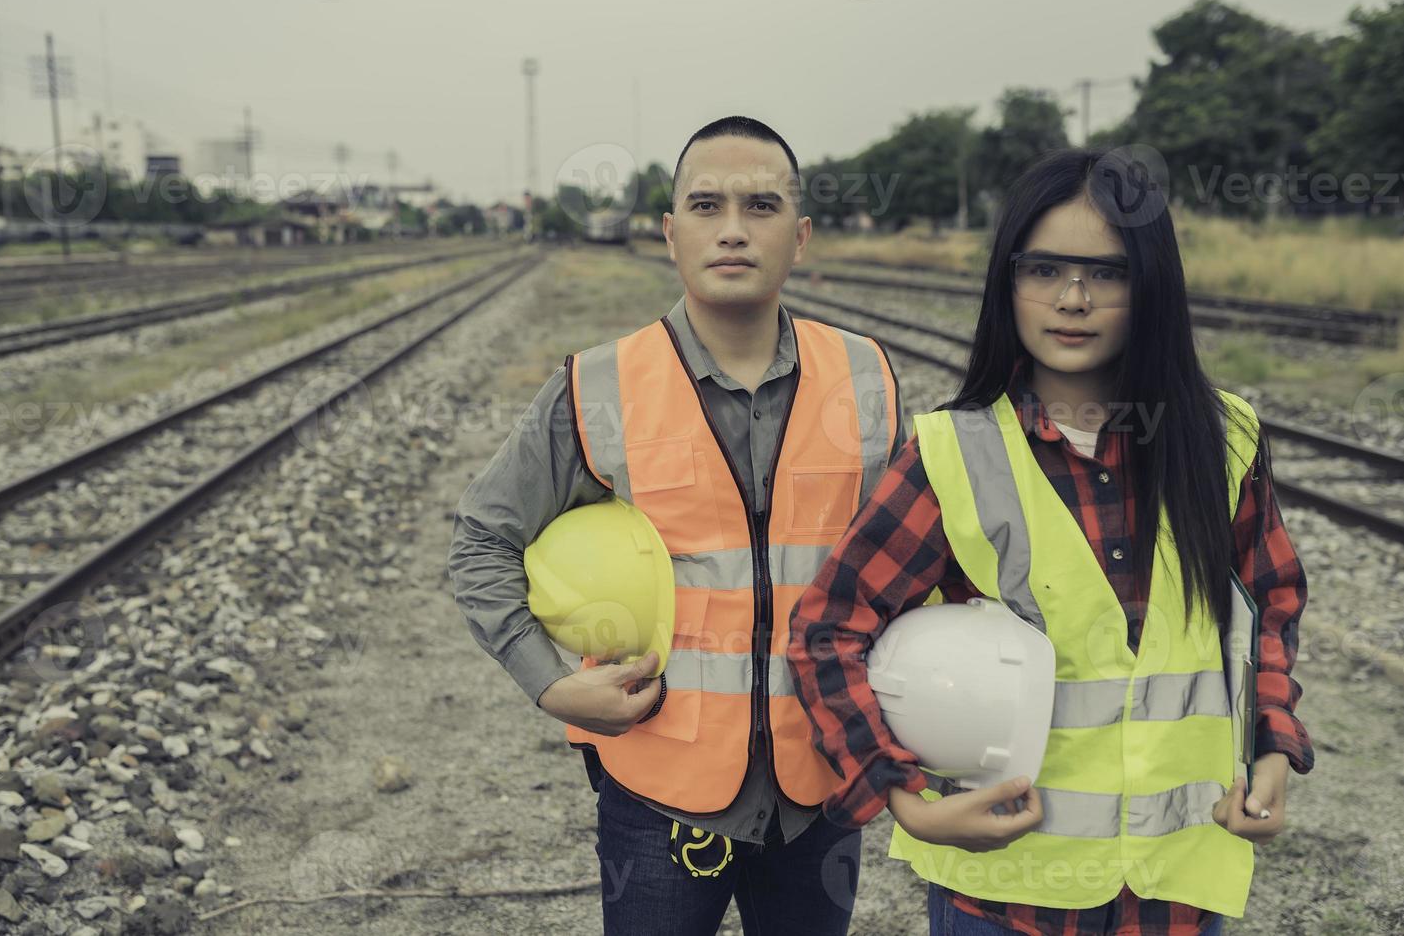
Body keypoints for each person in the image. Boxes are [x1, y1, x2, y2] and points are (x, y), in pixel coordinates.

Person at [788, 147, 1313, 936]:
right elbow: (826, 630)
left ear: (1151, 287)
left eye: (1106, 273)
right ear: (1008, 282)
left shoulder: (1221, 439)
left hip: (1176, 886)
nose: (1072, 299)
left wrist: (1270, 745)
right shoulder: (949, 454)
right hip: (1008, 893)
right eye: (1043, 270)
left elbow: (1266, 607)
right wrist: (898, 797)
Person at [449, 115, 906, 934]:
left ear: (799, 236)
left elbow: (909, 567)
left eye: (760, 207)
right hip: (657, 797)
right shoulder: (597, 386)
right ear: (668, 232)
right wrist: (549, 684)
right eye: (705, 206)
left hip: (819, 794)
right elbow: (482, 539)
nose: (732, 230)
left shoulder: (866, 380)